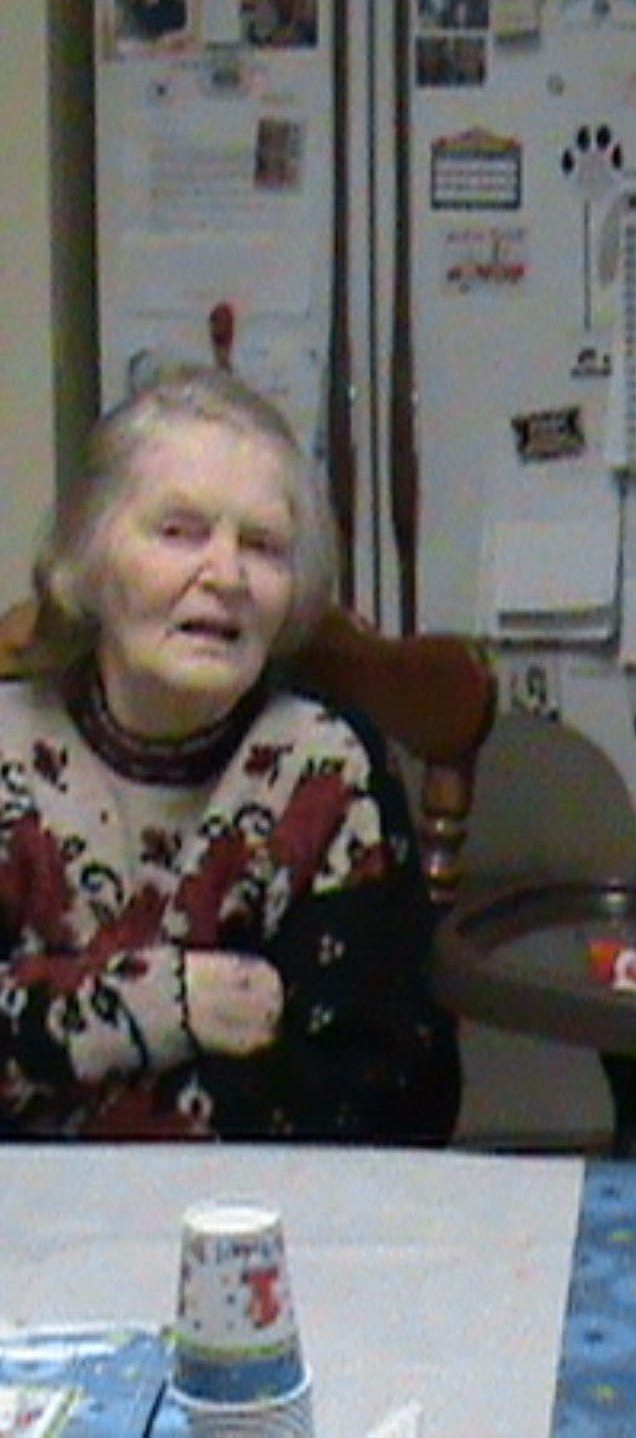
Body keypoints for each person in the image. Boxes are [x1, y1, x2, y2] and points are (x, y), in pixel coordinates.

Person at [0, 368, 460, 1143]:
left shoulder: (327, 769)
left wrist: (54, 1064)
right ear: (87, 559)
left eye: (263, 545)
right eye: (179, 531)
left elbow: (396, 1094)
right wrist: (161, 1005)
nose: (226, 574)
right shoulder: (10, 751)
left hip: (255, 1210)